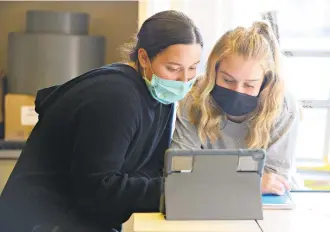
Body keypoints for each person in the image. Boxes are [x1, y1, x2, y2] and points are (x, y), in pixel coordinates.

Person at [0, 10, 203, 232]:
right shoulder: (117, 97)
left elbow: (151, 169)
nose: (184, 80)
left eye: (192, 68)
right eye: (173, 68)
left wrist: (173, 189)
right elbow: (96, 190)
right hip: (41, 222)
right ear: (144, 58)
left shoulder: (160, 93)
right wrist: (175, 191)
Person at [171, 21, 301, 196]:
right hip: (208, 196)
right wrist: (247, 182)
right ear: (213, 72)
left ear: (265, 83)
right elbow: (178, 167)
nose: (237, 91)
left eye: (249, 85)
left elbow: (274, 180)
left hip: (269, 199)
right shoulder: (194, 98)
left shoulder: (282, 104)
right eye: (228, 80)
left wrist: (209, 175)